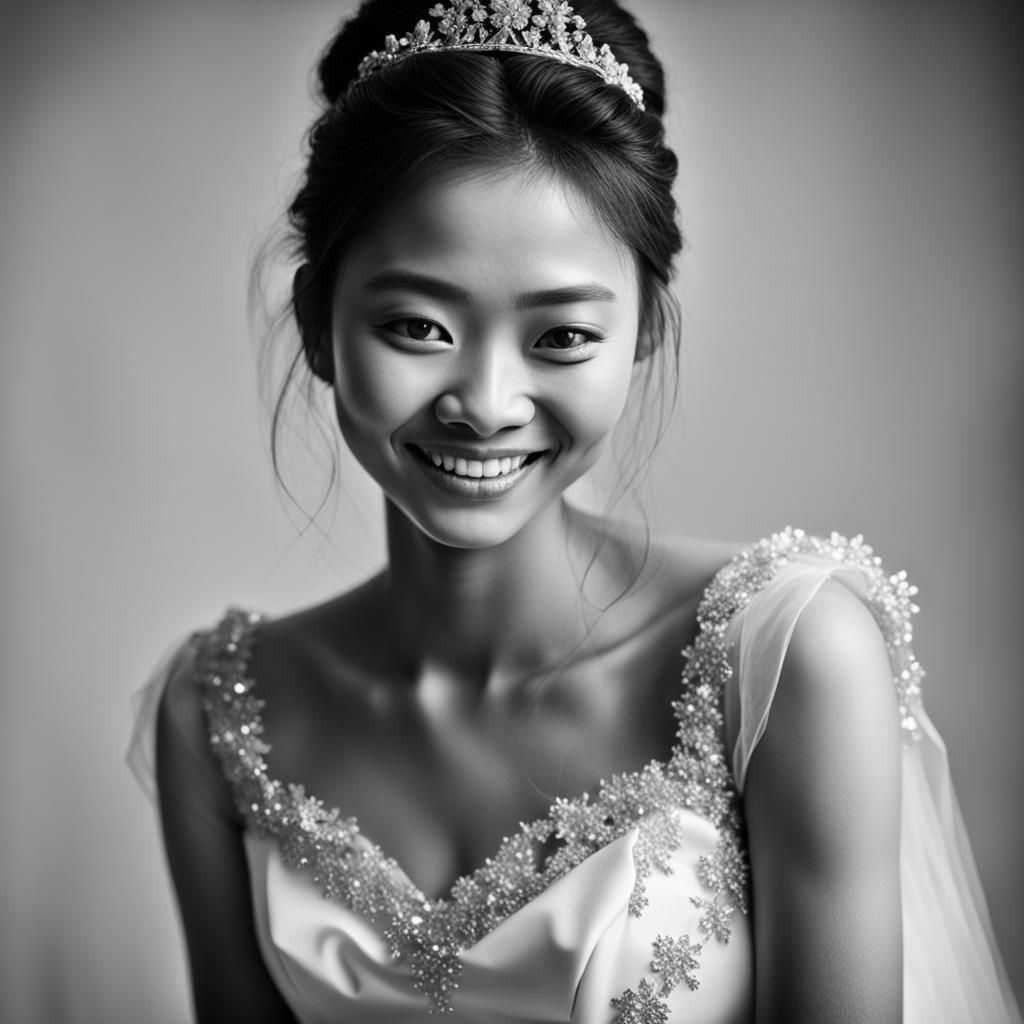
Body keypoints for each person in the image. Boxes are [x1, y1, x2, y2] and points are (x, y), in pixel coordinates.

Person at [127, 1, 1021, 1021]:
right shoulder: (217, 713)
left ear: (641, 332)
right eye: (415, 324)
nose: (486, 404)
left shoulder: (786, 660)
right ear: (319, 329)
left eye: (559, 338)